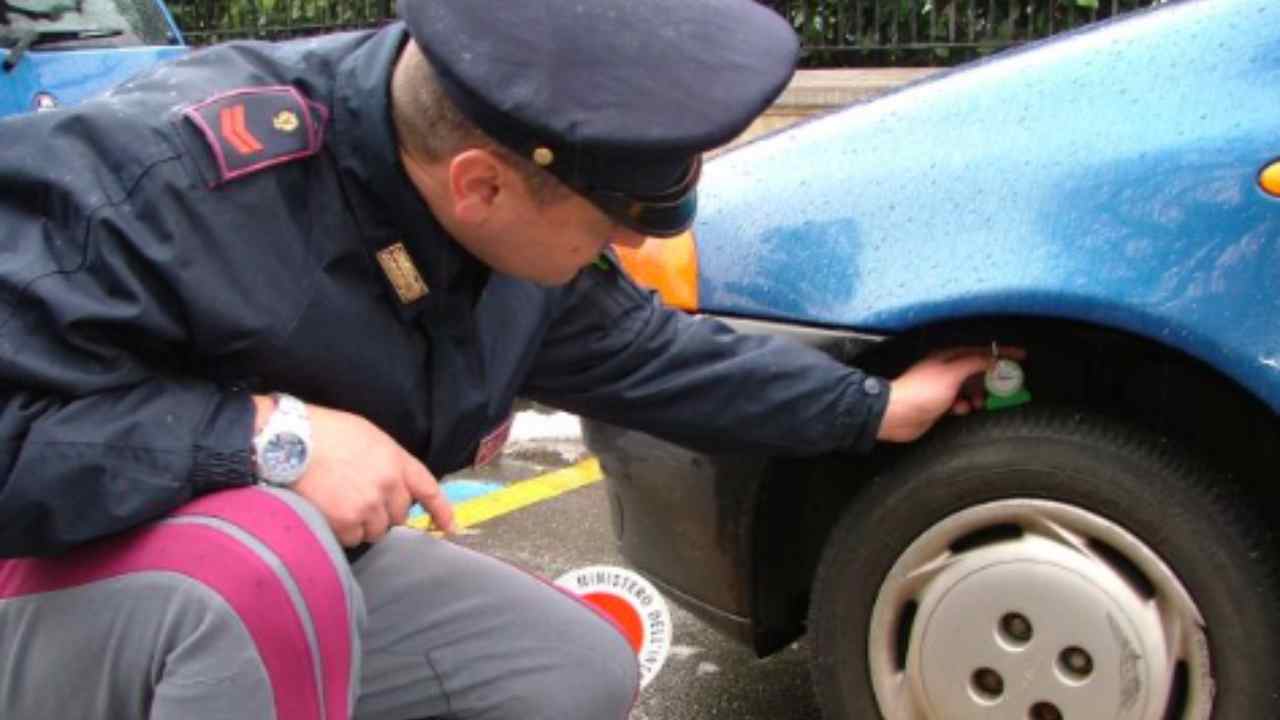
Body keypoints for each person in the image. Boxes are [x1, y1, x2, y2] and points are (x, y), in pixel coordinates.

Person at [0, 0, 1007, 718]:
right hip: (52, 603)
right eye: (603, 228)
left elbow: (646, 353)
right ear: (480, 186)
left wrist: (872, 408)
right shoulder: (160, 185)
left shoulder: (481, 183)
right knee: (271, 562)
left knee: (567, 669)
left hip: (259, 611)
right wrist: (264, 439)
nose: (622, 251)